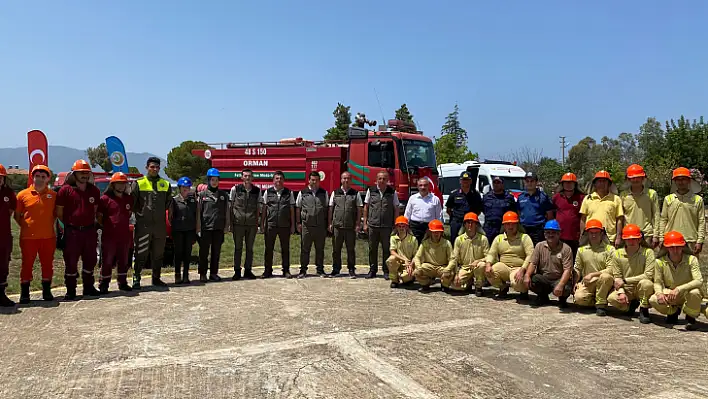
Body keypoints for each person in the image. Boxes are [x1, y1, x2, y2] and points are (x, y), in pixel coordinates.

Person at [56, 159, 101, 299]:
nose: (84, 176)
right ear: (74, 174)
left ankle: (88, 287)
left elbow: (95, 211)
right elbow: (59, 213)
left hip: (89, 231)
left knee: (90, 259)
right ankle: (71, 290)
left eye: (86, 173)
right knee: (70, 261)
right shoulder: (65, 191)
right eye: (81, 173)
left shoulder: (94, 190)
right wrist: (63, 232)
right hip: (72, 232)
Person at [15, 165, 56, 303]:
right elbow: (17, 215)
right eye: (37, 176)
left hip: (48, 237)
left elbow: (56, 214)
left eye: (43, 177)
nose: (40, 179)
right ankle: (25, 293)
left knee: (47, 264)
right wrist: (27, 226)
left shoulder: (53, 195)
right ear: (32, 177)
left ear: (48, 179)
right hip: (28, 238)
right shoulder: (22, 195)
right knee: (27, 264)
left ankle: (47, 291)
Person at [649, 231, 704, 330]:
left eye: (678, 247)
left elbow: (699, 280)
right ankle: (672, 312)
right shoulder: (659, 262)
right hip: (671, 293)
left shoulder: (692, 259)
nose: (675, 250)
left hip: (686, 294)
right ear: (666, 248)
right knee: (653, 299)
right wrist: (659, 293)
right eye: (671, 247)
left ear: (683, 246)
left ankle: (690, 317)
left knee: (695, 292)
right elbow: (657, 282)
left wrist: (679, 289)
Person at [132, 157, 172, 289]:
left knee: (158, 253)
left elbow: (167, 203)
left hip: (159, 226)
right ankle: (136, 278)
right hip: (143, 225)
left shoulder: (165, 184)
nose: (155, 169)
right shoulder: (139, 183)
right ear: (147, 167)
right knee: (141, 252)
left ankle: (156, 278)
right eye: (152, 167)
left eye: (157, 167)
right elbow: (133, 203)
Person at [606, 224, 655, 323]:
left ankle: (644, 309)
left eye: (634, 239)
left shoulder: (648, 252)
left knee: (647, 283)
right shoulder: (617, 253)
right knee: (612, 298)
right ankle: (629, 307)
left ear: (639, 239)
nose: (631, 241)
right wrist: (621, 292)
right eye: (628, 239)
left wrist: (625, 281)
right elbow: (617, 277)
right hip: (626, 288)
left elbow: (648, 275)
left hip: (640, 287)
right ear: (624, 240)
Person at [97, 172, 135, 293]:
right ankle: (104, 284)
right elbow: (99, 217)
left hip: (124, 236)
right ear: (112, 185)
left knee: (123, 260)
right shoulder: (105, 199)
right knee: (107, 261)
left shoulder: (128, 199)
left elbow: (129, 214)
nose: (121, 186)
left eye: (123, 183)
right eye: (118, 183)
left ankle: (122, 283)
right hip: (109, 236)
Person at [524, 220, 574, 308]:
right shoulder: (539, 246)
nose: (550, 235)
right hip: (545, 279)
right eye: (548, 232)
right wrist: (527, 275)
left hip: (559, 278)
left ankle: (562, 300)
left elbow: (568, 270)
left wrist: (560, 285)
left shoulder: (566, 249)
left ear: (559, 234)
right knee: (533, 279)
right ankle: (542, 297)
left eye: (554, 232)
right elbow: (533, 263)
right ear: (544, 234)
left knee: (566, 287)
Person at [484, 211, 534, 299]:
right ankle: (503, 287)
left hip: (518, 267)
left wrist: (522, 270)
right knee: (490, 272)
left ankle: (523, 290)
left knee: (516, 283)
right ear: (504, 225)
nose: (510, 226)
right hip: (504, 266)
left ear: (517, 225)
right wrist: (488, 265)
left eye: (513, 224)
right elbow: (491, 254)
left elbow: (530, 255)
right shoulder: (498, 238)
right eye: (508, 224)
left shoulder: (525, 237)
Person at [572, 219, 615, 315]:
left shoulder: (610, 249)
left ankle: (601, 305)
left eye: (596, 233)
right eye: (591, 233)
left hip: (605, 282)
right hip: (588, 282)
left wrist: (592, 274)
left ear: (601, 233)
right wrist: (575, 282)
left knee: (605, 276)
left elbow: (611, 269)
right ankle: (595, 301)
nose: (594, 235)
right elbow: (577, 268)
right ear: (587, 234)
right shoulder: (581, 250)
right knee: (578, 299)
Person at [659, 167, 704, 255]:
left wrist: (700, 241)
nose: (681, 182)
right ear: (675, 182)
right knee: (671, 267)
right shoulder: (668, 199)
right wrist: (661, 238)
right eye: (678, 180)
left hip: (690, 240)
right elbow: (663, 219)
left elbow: (701, 221)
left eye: (683, 179)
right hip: (671, 240)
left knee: (691, 267)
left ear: (689, 181)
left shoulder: (697, 200)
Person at [363, 171, 400, 279]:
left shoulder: (392, 192)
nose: (382, 181)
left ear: (387, 180)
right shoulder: (371, 190)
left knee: (386, 249)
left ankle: (386, 270)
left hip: (387, 226)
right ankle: (372, 270)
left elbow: (396, 208)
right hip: (373, 225)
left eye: (384, 179)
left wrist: (396, 224)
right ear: (376, 179)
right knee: (372, 249)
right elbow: (366, 207)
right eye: (380, 178)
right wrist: (365, 223)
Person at [443, 212, 489, 295]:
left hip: (477, 267)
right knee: (456, 286)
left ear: (477, 225)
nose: (470, 225)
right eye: (468, 222)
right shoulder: (459, 239)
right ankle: (469, 283)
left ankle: (479, 287)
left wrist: (478, 261)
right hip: (464, 268)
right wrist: (456, 273)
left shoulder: (483, 239)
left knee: (481, 265)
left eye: (472, 223)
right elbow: (455, 258)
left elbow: (489, 257)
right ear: (464, 225)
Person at [261, 171, 296, 278]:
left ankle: (286, 270)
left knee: (285, 249)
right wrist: (262, 224)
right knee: (268, 249)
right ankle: (267, 270)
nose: (279, 180)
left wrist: (293, 225)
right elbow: (264, 208)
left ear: (284, 180)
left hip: (284, 225)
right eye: (277, 178)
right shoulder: (268, 192)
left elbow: (292, 210)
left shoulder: (288, 193)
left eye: (281, 178)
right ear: (273, 180)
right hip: (271, 225)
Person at [197, 168, 229, 282]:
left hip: (218, 228)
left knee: (216, 252)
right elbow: (198, 212)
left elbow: (226, 211)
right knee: (204, 253)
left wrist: (226, 226)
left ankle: (214, 273)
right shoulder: (202, 195)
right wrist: (198, 228)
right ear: (208, 180)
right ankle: (202, 273)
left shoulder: (223, 195)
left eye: (216, 180)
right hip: (206, 228)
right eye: (212, 180)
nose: (214, 182)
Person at [228, 169, 260, 280]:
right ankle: (237, 271)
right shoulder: (235, 189)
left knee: (249, 248)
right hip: (238, 224)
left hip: (251, 224)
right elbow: (231, 206)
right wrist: (230, 223)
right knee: (238, 248)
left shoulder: (257, 191)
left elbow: (258, 208)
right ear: (242, 177)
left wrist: (257, 223)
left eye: (249, 176)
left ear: (252, 178)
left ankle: (248, 270)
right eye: (245, 176)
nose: (247, 178)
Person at [328, 171, 362, 278]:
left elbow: (359, 209)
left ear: (351, 180)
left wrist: (357, 224)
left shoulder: (355, 193)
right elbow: (331, 208)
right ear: (341, 180)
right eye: (344, 178)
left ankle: (351, 269)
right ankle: (336, 269)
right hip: (337, 226)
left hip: (350, 227)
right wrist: (330, 223)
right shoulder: (335, 192)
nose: (346, 180)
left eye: (348, 178)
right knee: (336, 249)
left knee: (350, 249)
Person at [296, 171, 329, 278]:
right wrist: (298, 223)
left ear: (319, 181)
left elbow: (327, 208)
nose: (314, 182)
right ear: (309, 180)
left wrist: (328, 223)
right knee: (305, 249)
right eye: (312, 180)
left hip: (320, 226)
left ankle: (320, 270)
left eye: (316, 180)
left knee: (320, 249)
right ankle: (303, 270)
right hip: (307, 226)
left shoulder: (324, 193)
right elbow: (298, 208)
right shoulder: (303, 193)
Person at [580, 170, 624, 247]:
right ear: (595, 184)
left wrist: (618, 237)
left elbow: (619, 220)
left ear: (609, 184)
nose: (602, 183)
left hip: (610, 238)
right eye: (599, 181)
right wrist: (582, 235)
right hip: (591, 238)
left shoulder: (616, 199)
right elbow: (583, 219)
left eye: (604, 181)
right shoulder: (588, 198)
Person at [620, 164, 660, 248]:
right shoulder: (623, 195)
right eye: (632, 178)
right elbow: (621, 217)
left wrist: (656, 235)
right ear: (628, 179)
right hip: (629, 235)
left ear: (643, 178)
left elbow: (656, 215)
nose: (635, 180)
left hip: (646, 234)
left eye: (638, 177)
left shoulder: (651, 194)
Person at [169, 177, 197, 284]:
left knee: (187, 253)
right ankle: (177, 275)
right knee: (178, 253)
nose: (186, 189)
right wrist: (174, 227)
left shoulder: (193, 201)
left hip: (189, 230)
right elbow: (170, 216)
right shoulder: (174, 200)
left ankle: (186, 275)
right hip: (178, 230)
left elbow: (196, 215)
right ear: (179, 188)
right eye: (184, 187)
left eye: (187, 187)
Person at [413, 219, 452, 293]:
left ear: (441, 232)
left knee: (450, 273)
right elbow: (417, 257)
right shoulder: (425, 243)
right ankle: (426, 283)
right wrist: (419, 267)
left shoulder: (447, 243)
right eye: (434, 232)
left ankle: (444, 284)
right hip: (429, 267)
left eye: (438, 232)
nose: (436, 234)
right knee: (417, 272)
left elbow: (452, 259)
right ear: (430, 232)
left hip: (442, 267)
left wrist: (448, 269)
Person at [445, 171, 484, 244]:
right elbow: (448, 210)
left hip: (470, 223)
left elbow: (479, 210)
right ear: (460, 181)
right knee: (455, 241)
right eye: (463, 180)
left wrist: (472, 218)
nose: (465, 182)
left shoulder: (476, 195)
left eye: (467, 180)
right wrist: (456, 217)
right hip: (457, 222)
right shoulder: (454, 194)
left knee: (470, 241)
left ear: (471, 181)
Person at [552, 172, 584, 258]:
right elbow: (551, 213)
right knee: (560, 257)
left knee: (574, 257)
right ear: (562, 184)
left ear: (575, 184)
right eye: (566, 182)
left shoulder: (581, 198)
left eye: (571, 182)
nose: (568, 184)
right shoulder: (556, 197)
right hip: (560, 234)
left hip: (575, 235)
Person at [517, 171, 554, 246]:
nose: (529, 183)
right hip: (524, 230)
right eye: (527, 181)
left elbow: (550, 215)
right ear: (524, 182)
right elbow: (518, 213)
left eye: (532, 181)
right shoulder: (520, 197)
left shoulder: (543, 197)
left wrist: (549, 230)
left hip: (538, 230)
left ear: (536, 182)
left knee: (538, 252)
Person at [405, 177, 444, 244]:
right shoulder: (412, 198)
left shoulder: (435, 199)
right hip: (415, 226)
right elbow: (407, 214)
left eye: (425, 185)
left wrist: (439, 228)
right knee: (414, 246)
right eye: (420, 185)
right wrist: (406, 226)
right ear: (417, 186)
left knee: (429, 247)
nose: (423, 187)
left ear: (428, 186)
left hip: (429, 227)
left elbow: (439, 216)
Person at [0, 164, 17, 306]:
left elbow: (11, 212)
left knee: (3, 265)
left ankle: (1, 294)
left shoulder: (9, 193)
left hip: (4, 236)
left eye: (1, 177)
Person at [386, 216, 418, 288]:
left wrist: (410, 265)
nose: (401, 228)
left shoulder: (413, 239)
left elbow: (416, 255)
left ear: (407, 227)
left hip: (409, 263)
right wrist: (404, 260)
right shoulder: (393, 238)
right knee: (391, 260)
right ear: (396, 227)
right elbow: (392, 251)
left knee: (406, 278)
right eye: (399, 226)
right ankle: (394, 280)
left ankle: (410, 278)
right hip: (399, 261)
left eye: (403, 226)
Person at [481, 176, 517, 241]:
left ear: (502, 184)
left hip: (503, 228)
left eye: (498, 182)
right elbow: (483, 210)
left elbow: (514, 212)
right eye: (494, 182)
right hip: (489, 228)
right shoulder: (486, 197)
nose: (496, 184)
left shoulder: (509, 198)